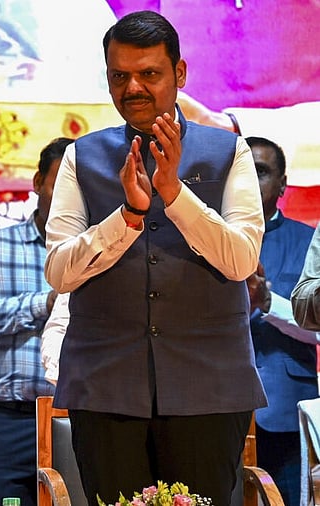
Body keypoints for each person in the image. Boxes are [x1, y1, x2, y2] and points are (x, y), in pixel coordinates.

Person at [44, 10, 266, 505]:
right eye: (120, 76)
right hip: (103, 385)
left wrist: (175, 193)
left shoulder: (230, 152)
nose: (134, 88)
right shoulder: (82, 157)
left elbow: (241, 261)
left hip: (209, 384)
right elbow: (59, 272)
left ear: (180, 74)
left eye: (149, 74)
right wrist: (127, 215)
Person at [0, 137, 70, 506]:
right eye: (61, 183)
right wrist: (43, 303)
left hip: (81, 420)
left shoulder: (102, 251)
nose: (69, 196)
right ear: (38, 182)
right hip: (10, 421)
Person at [242, 135, 319, 505]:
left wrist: (268, 301)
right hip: (219, 407)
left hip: (285, 411)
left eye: (260, 171)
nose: (249, 180)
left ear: (283, 185)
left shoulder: (308, 240)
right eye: (241, 171)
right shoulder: (204, 242)